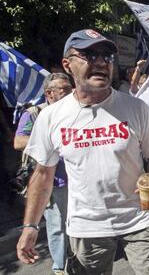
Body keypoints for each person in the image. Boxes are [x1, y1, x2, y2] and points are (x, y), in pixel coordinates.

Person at [16, 29, 149, 275]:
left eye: (106, 56)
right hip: (86, 227)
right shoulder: (51, 117)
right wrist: (30, 226)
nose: (100, 62)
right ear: (68, 64)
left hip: (138, 219)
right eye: (89, 55)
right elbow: (43, 175)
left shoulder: (135, 108)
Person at [14, 73, 72, 275]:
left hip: (75, 177)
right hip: (52, 181)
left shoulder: (73, 112)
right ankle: (60, 267)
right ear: (49, 93)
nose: (70, 92)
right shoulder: (34, 113)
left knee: (75, 221)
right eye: (64, 89)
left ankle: (76, 258)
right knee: (58, 225)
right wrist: (48, 140)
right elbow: (19, 141)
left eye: (70, 88)